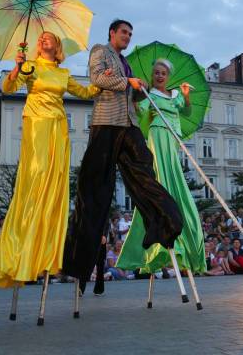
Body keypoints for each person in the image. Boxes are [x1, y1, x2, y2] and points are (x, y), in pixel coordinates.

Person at [64, 20, 183, 284]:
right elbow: (96, 78)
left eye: (130, 34)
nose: (128, 37)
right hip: (106, 123)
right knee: (95, 187)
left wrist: (139, 89)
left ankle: (162, 223)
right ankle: (80, 256)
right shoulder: (100, 51)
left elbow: (127, 92)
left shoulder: (125, 61)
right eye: (124, 32)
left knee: (144, 170)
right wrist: (126, 81)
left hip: (128, 123)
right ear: (112, 33)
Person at [0, 31, 100, 288]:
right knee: (37, 171)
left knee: (53, 175)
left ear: (57, 45)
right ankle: (25, 233)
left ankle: (48, 241)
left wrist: (104, 82)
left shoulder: (63, 73)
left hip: (58, 126)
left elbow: (84, 92)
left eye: (49, 38)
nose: (43, 40)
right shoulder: (30, 66)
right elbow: (8, 88)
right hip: (36, 123)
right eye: (41, 38)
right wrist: (17, 67)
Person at [117, 59, 206, 276]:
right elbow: (139, 111)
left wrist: (185, 94)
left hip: (172, 137)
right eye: (156, 72)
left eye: (163, 73)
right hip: (157, 135)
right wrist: (136, 96)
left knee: (173, 173)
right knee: (159, 175)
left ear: (168, 76)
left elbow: (185, 112)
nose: (159, 76)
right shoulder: (150, 95)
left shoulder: (174, 95)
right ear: (152, 75)